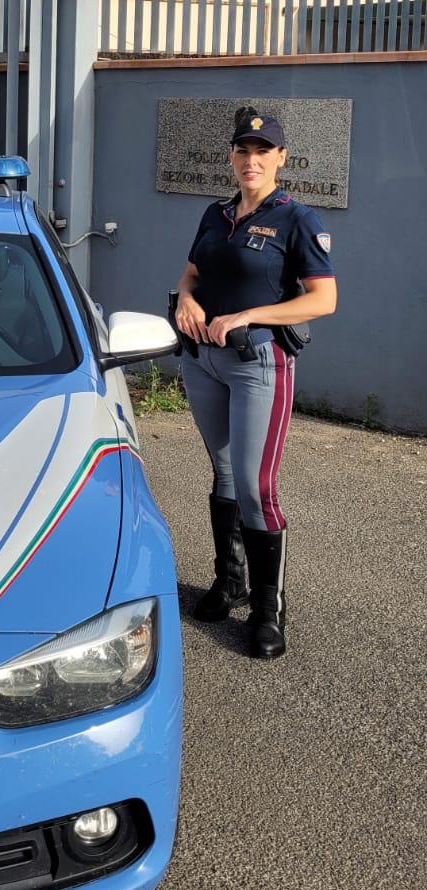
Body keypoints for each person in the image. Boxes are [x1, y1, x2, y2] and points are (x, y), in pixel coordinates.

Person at [173, 108, 337, 659]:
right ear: (231, 156)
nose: (251, 160)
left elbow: (324, 298)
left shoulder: (296, 218)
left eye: (263, 150)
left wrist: (250, 316)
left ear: (280, 158)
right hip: (203, 362)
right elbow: (192, 271)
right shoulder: (215, 214)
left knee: (254, 484)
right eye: (243, 150)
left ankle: (269, 609)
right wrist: (188, 300)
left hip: (258, 363)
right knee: (221, 472)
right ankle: (231, 579)